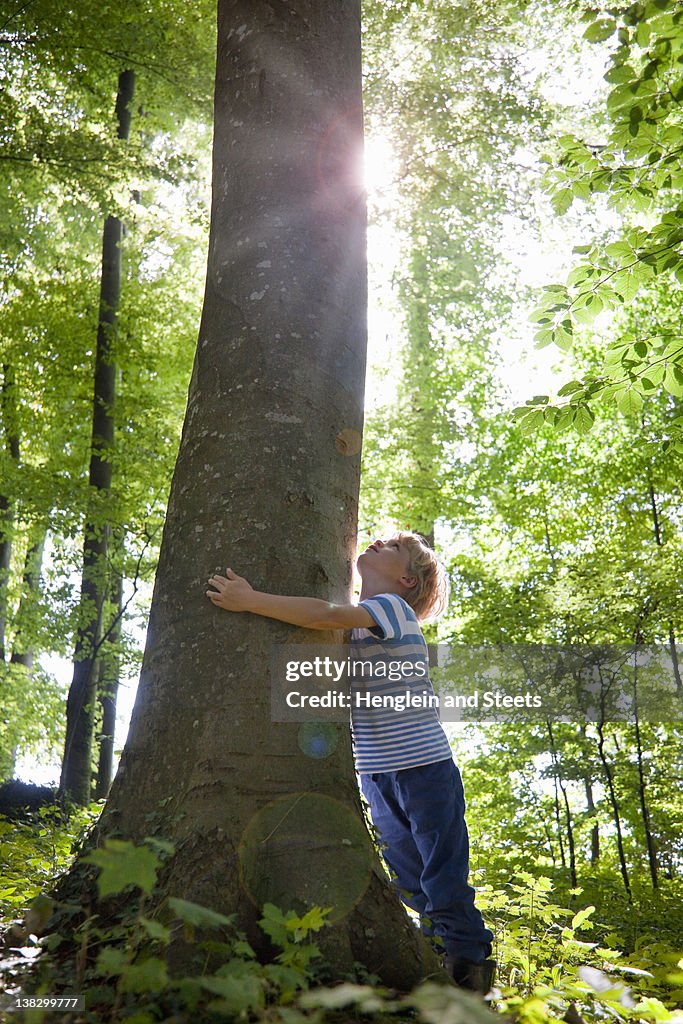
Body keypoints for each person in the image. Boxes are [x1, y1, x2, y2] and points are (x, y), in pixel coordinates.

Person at [206, 531, 495, 994]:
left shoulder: (392, 611)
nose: (378, 540)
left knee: (441, 872)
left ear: (405, 579)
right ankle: (434, 951)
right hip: (377, 773)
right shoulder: (362, 624)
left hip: (423, 766)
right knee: (407, 875)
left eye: (393, 547)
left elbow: (322, 615)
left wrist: (250, 599)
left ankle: (470, 966)